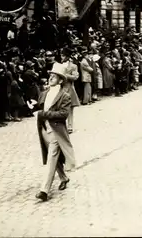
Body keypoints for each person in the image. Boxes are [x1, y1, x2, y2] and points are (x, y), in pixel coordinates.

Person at [33, 62, 76, 202]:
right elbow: (38, 108)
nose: (51, 77)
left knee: (51, 158)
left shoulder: (65, 96)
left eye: (54, 76)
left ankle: (44, 190)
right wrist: (32, 107)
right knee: (54, 157)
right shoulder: (44, 93)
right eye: (50, 75)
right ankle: (63, 177)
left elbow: (63, 114)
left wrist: (44, 114)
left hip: (57, 131)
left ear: (61, 80)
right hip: (44, 130)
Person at [60, 48, 81, 134]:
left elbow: (75, 77)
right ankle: (62, 125)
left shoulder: (73, 66)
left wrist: (65, 75)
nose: (62, 57)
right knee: (60, 108)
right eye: (61, 55)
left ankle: (70, 126)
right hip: (60, 88)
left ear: (67, 57)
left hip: (69, 88)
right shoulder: (59, 65)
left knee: (70, 109)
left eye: (63, 55)